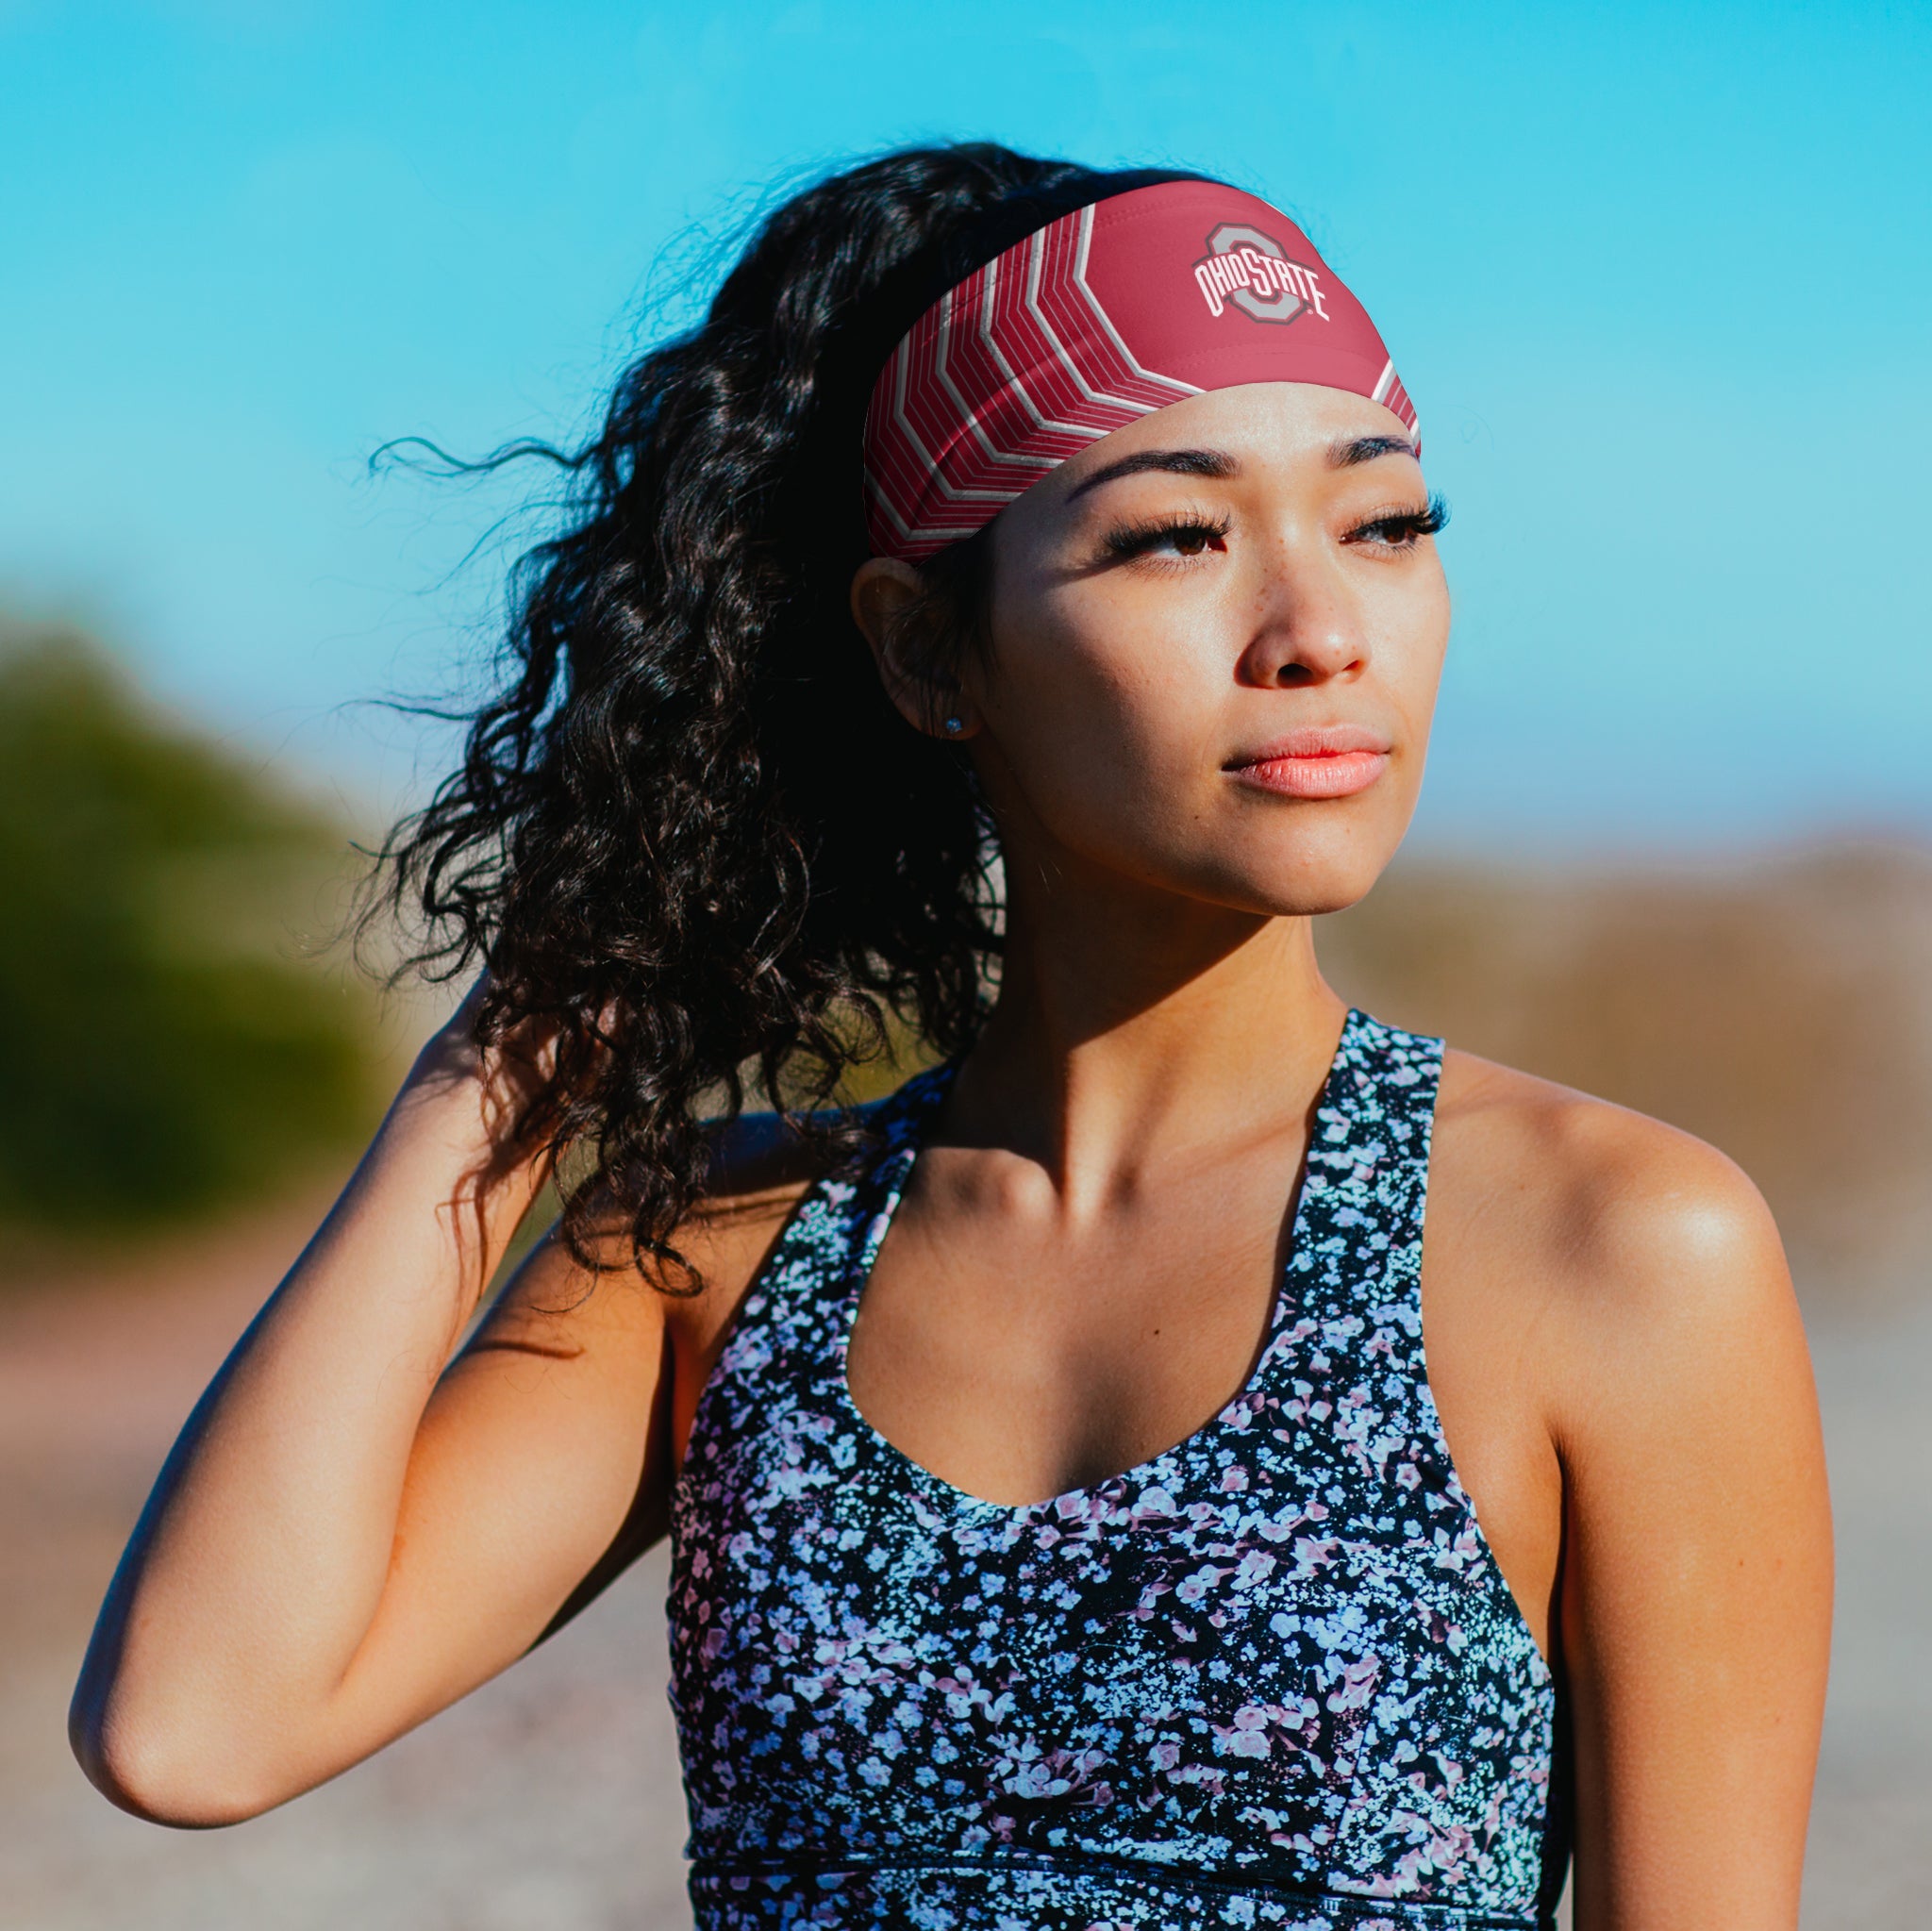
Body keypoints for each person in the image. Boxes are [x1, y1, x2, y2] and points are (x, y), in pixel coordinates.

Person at [70, 144, 1831, 1930]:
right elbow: (195, 1728)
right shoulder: (715, 1263)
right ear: (926, 652)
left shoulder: (1611, 1248)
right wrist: (530, 1040)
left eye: (1386, 525)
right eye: (1178, 536)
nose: (1320, 633)